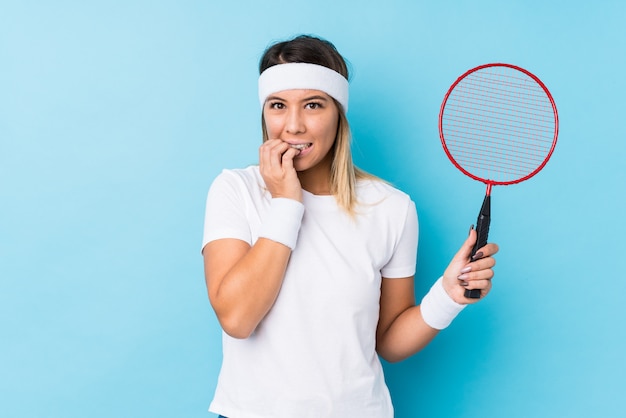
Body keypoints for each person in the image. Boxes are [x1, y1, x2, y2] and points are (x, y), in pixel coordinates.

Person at [201, 34, 498, 418]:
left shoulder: (391, 208)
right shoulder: (235, 190)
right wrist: (288, 202)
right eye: (278, 105)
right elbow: (238, 319)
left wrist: (448, 295)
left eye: (313, 105)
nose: (293, 125)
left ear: (338, 113)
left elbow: (388, 341)